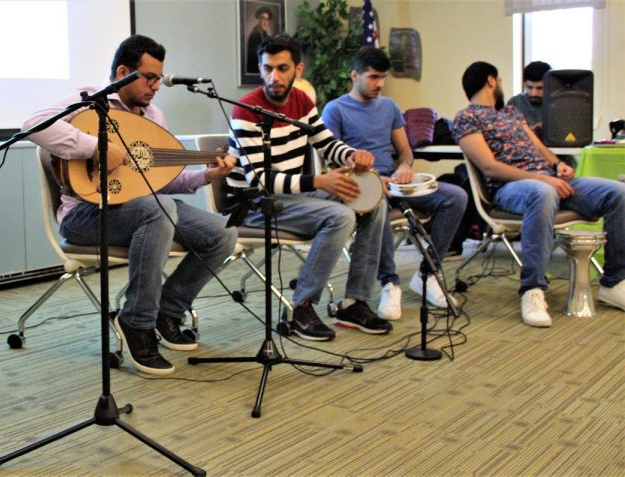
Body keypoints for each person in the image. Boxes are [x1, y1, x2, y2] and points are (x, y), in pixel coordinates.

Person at [22, 35, 238, 376]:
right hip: (84, 214)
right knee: (160, 209)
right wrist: (95, 147)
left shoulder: (155, 117)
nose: (157, 86)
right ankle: (136, 321)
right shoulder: (90, 99)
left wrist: (205, 175)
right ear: (123, 71)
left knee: (222, 232)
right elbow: (33, 125)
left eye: (159, 78)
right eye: (149, 77)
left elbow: (159, 183)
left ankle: (168, 309)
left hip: (145, 208)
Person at [228, 34, 392, 340]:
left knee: (374, 201)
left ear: (297, 70)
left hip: (294, 196)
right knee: (340, 216)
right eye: (267, 69)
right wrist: (318, 180)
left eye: (282, 68)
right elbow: (259, 180)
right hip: (255, 205)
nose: (274, 77)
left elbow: (326, 143)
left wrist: (352, 155)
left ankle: (355, 302)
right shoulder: (246, 110)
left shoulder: (302, 101)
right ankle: (301, 307)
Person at [453, 61, 625, 326]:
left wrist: (558, 165)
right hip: (512, 188)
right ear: (491, 80)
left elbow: (539, 147)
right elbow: (490, 167)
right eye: (498, 80)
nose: (500, 84)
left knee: (618, 193)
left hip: (548, 179)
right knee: (542, 193)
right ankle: (532, 289)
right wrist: (543, 178)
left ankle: (613, 283)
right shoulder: (467, 118)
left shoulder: (511, 112)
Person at [322, 46, 466, 321]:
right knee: (379, 206)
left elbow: (405, 151)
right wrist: (375, 178)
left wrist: (404, 166)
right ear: (355, 75)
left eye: (383, 77)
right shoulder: (335, 109)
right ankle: (390, 282)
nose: (380, 84)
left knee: (455, 196)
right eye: (374, 77)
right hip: (362, 186)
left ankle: (428, 275)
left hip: (396, 182)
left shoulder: (388, 107)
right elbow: (332, 164)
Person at [507, 61, 551, 138]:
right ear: (524, 84)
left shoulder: (559, 104)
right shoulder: (515, 103)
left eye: (540, 88)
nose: (534, 93)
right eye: (529, 87)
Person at [246, 6, 272, 75]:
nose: (265, 22)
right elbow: (256, 57)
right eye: (263, 18)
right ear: (258, 19)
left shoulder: (265, 35)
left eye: (267, 19)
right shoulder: (254, 35)